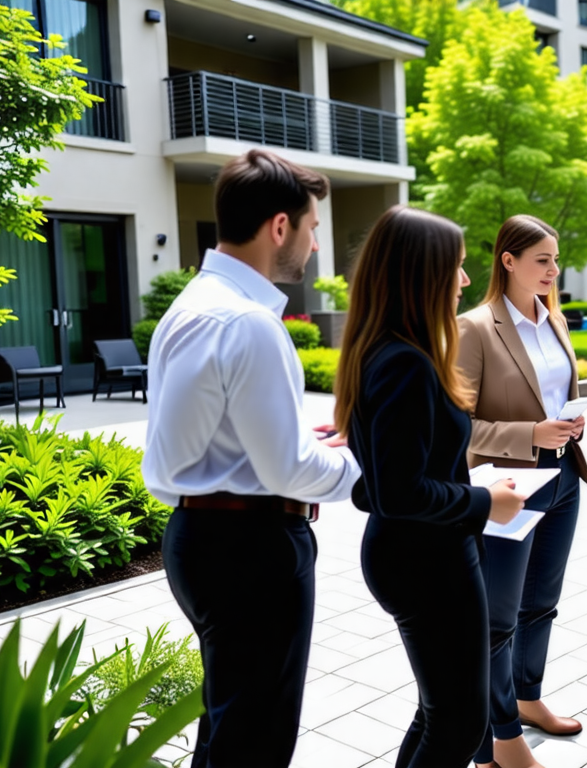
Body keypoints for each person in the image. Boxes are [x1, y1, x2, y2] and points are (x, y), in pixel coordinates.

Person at [143, 149, 362, 767]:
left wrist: (303, 444)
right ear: (280, 226)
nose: (315, 244)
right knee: (256, 743)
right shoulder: (249, 323)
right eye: (313, 226)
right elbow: (287, 473)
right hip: (252, 549)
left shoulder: (189, 306)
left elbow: (213, 438)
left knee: (228, 728)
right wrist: (358, 466)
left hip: (199, 536)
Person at [335, 206, 526, 767]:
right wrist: (486, 501)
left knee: (443, 711)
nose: (466, 281)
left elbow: (373, 487)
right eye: (458, 268)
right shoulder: (404, 363)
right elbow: (398, 492)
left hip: (423, 554)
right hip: (425, 563)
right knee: (461, 723)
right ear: (422, 274)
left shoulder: (390, 351)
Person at [458, 215, 587, 768]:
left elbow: (555, 396)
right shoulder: (475, 328)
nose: (553, 270)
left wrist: (569, 425)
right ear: (508, 261)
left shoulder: (554, 320)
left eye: (556, 260)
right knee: (499, 616)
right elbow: (459, 427)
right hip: (510, 485)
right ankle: (501, 734)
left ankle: (528, 697)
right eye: (542, 260)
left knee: (543, 603)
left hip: (562, 478)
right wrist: (529, 434)